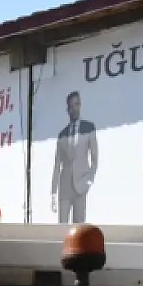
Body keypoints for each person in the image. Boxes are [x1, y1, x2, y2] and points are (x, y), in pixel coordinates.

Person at [52, 91, 98, 223]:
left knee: (79, 225)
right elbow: (57, 165)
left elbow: (94, 158)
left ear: (80, 105)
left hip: (81, 184)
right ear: (68, 109)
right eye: (71, 106)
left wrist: (89, 180)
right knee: (62, 226)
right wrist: (53, 191)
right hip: (65, 186)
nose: (74, 108)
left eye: (76, 104)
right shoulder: (62, 134)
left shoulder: (89, 128)